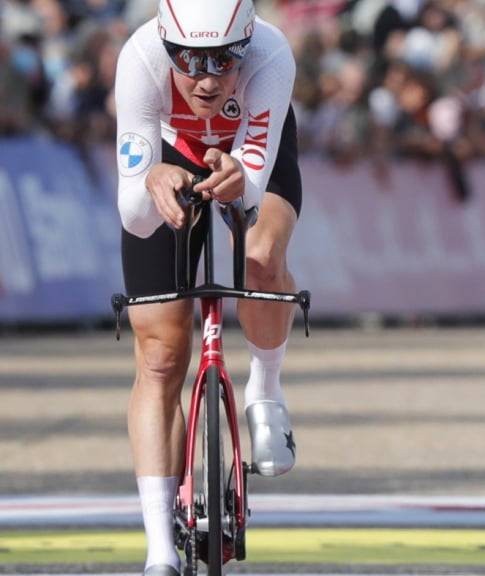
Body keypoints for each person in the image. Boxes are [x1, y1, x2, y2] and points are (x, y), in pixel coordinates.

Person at [114, 0, 301, 573]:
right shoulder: (141, 58)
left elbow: (247, 191)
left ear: (247, 43)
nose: (205, 76)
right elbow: (133, 216)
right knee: (162, 356)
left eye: (223, 59)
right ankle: (159, 551)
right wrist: (152, 176)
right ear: (166, 45)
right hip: (168, 149)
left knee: (261, 252)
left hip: (249, 148)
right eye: (189, 59)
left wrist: (235, 180)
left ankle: (264, 390)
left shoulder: (271, 53)